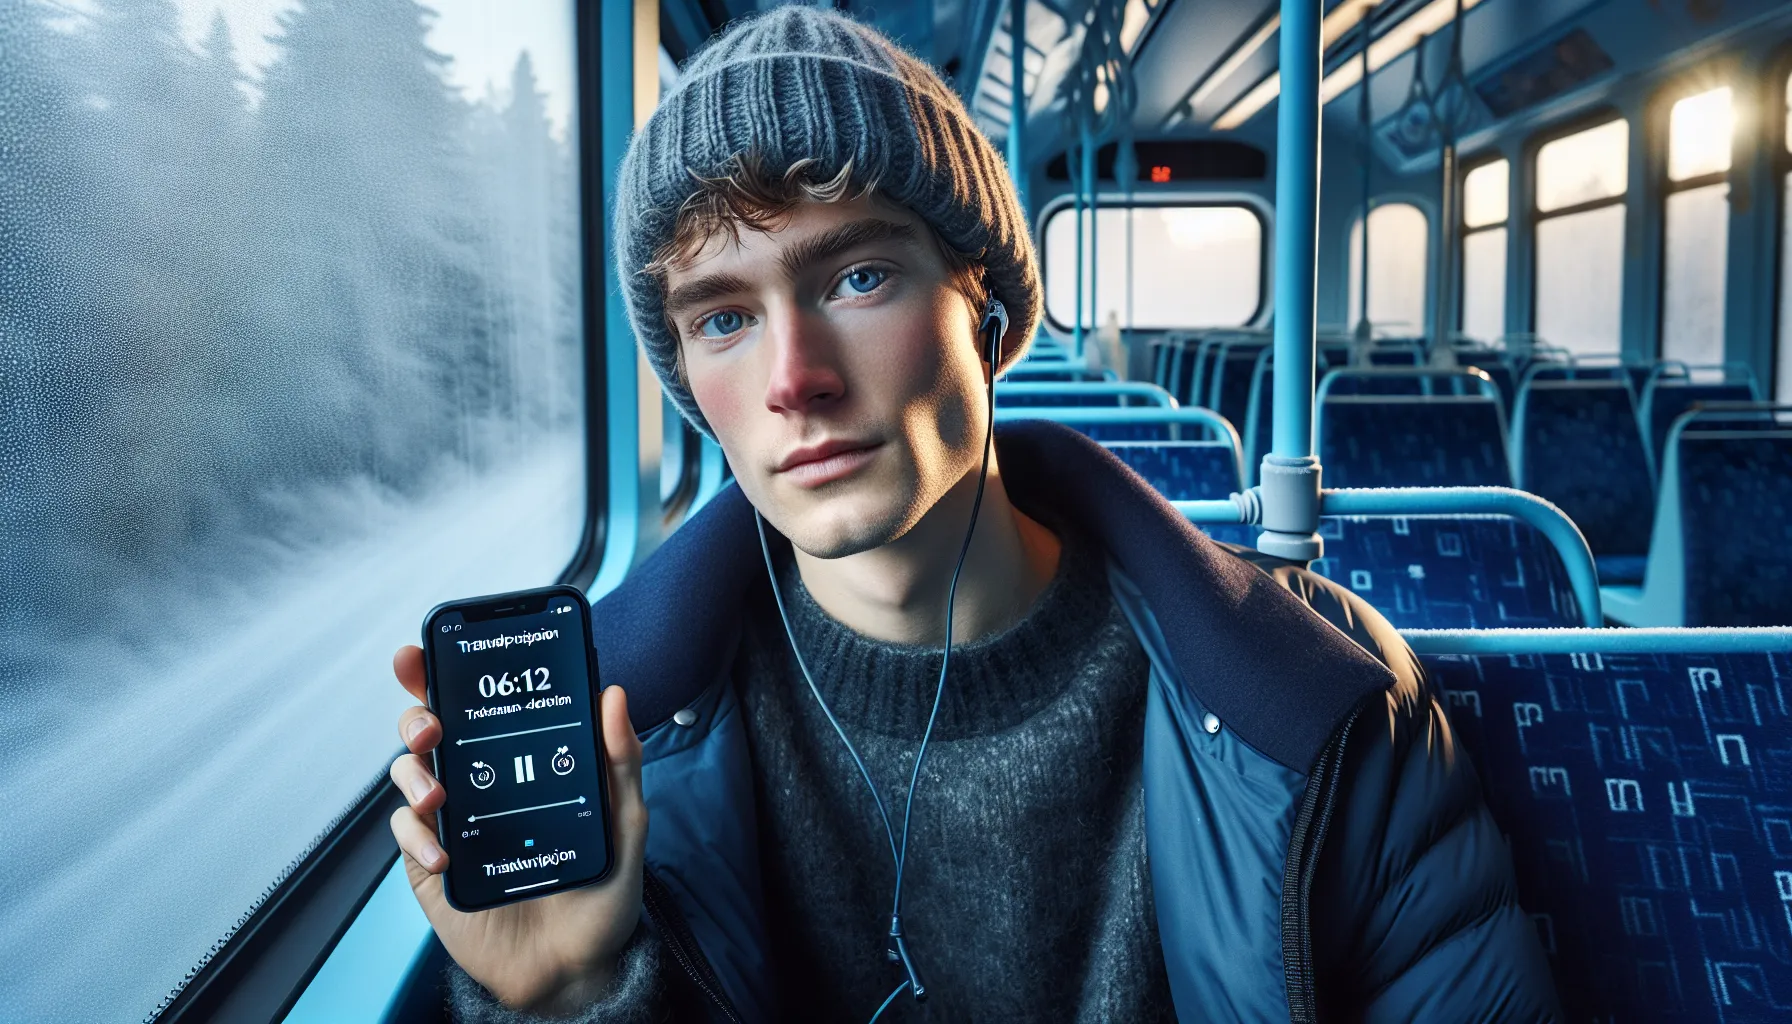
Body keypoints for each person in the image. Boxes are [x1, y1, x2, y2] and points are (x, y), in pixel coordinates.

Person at [385, 8, 1560, 1022]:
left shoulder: (1318, 701)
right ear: (692, 387)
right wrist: (575, 1000)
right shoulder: (623, 744)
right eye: (722, 319)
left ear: (987, 312)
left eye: (857, 277)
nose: (794, 377)